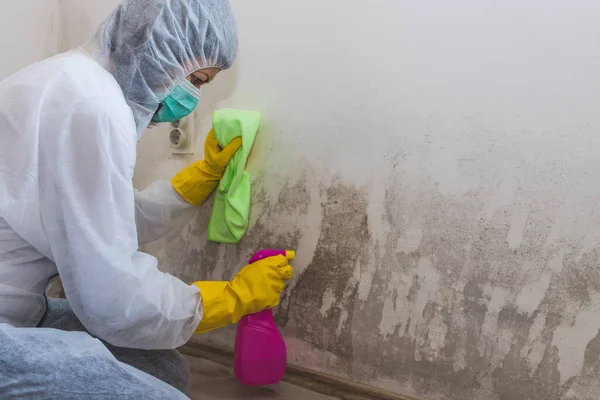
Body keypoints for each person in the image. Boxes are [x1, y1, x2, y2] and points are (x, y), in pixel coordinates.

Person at [0, 0, 293, 398]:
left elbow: (95, 221)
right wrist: (228, 299)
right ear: (160, 48)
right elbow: (110, 297)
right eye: (199, 81)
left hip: (18, 310)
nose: (192, 100)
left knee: (162, 368)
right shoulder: (94, 107)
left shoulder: (72, 80)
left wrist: (193, 183)